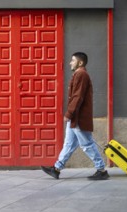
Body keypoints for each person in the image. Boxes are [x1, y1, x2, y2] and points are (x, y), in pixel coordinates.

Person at [41, 52, 109, 180]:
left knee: (87, 144)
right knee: (68, 144)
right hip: (75, 118)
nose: (70, 63)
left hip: (79, 117)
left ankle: (101, 170)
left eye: (73, 60)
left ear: (80, 63)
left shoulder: (81, 74)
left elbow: (77, 96)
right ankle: (56, 168)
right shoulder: (79, 74)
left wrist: (69, 113)